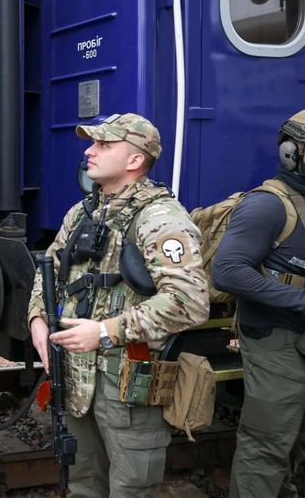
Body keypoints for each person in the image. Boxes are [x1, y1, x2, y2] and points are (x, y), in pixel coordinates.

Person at [27, 113, 209, 497]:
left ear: (134, 160)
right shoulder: (82, 213)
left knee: (131, 489)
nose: (89, 151)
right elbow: (50, 269)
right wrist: (38, 319)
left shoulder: (160, 219)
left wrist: (106, 331)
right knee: (82, 484)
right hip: (76, 380)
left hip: (128, 383)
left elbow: (189, 302)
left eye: (103, 145)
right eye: (92, 143)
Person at [214, 110, 305, 498]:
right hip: (275, 338)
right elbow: (229, 271)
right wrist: (299, 299)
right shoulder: (267, 205)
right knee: (268, 442)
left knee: (296, 439)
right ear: (292, 152)